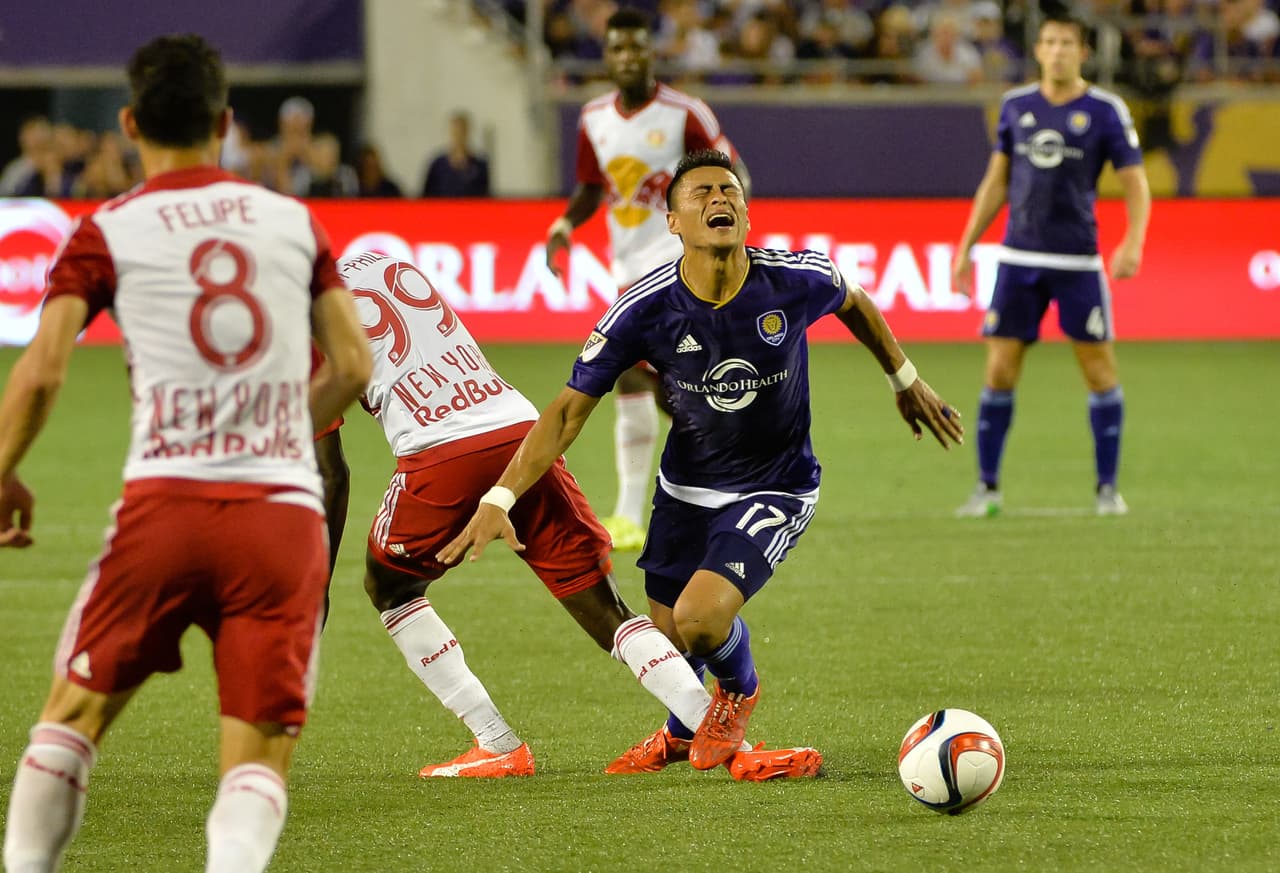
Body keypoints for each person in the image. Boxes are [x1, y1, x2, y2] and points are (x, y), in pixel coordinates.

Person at [441, 149, 964, 775]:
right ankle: (681, 733)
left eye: (729, 191)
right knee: (666, 641)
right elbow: (566, 411)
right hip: (685, 488)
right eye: (702, 194)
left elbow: (854, 302)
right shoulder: (643, 309)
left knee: (700, 618)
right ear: (674, 223)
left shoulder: (794, 280)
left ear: (745, 210)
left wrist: (905, 379)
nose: (720, 200)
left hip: (776, 486)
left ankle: (738, 693)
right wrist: (501, 497)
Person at [0, 34, 372, 873]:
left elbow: (43, 369)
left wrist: (2, 471)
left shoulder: (108, 228)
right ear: (226, 122)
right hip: (280, 519)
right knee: (255, 756)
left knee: (71, 719)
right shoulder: (293, 220)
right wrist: (280, 428)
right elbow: (353, 363)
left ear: (130, 122)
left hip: (164, 507)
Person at [333, 249, 818, 782]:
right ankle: (736, 746)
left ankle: (496, 742)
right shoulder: (379, 259)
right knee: (607, 611)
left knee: (390, 588)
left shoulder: (299, 312)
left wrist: (316, 580)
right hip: (519, 431)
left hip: (439, 452)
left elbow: (330, 468)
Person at [545, 6, 751, 552]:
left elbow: (734, 176)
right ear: (608, 54)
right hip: (628, 272)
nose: (628, 57)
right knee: (668, 391)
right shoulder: (594, 119)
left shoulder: (685, 115)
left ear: (651, 52)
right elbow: (594, 186)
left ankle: (635, 510)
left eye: (637, 47)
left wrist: (719, 243)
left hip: (682, 269)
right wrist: (566, 223)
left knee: (642, 380)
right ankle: (720, 481)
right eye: (618, 48)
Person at [951, 12, 1151, 518]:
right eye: (1048, 42)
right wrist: (967, 245)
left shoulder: (1105, 110)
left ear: (1083, 52)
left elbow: (1135, 182)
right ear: (1037, 50)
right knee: (998, 370)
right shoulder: (1017, 106)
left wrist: (1133, 241)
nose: (1056, 50)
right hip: (1019, 257)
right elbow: (996, 181)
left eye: (1066, 43)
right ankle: (987, 488)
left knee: (1099, 370)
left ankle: (1107, 491)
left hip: (1078, 261)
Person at [419, 111, 490, 198]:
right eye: (455, 131)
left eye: (461, 131)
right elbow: (427, 196)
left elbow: (484, 195)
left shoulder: (479, 165)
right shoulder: (438, 165)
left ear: (467, 132)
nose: (458, 136)